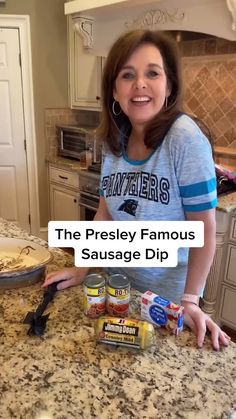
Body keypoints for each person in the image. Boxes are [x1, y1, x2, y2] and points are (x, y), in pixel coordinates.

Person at [44, 29, 231, 350]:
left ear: (169, 86)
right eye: (127, 75)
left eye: (152, 73)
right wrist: (82, 266)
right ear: (114, 91)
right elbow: (105, 213)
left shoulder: (185, 140)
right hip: (116, 291)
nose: (140, 84)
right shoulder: (112, 140)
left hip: (166, 303)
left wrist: (191, 301)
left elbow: (204, 227)